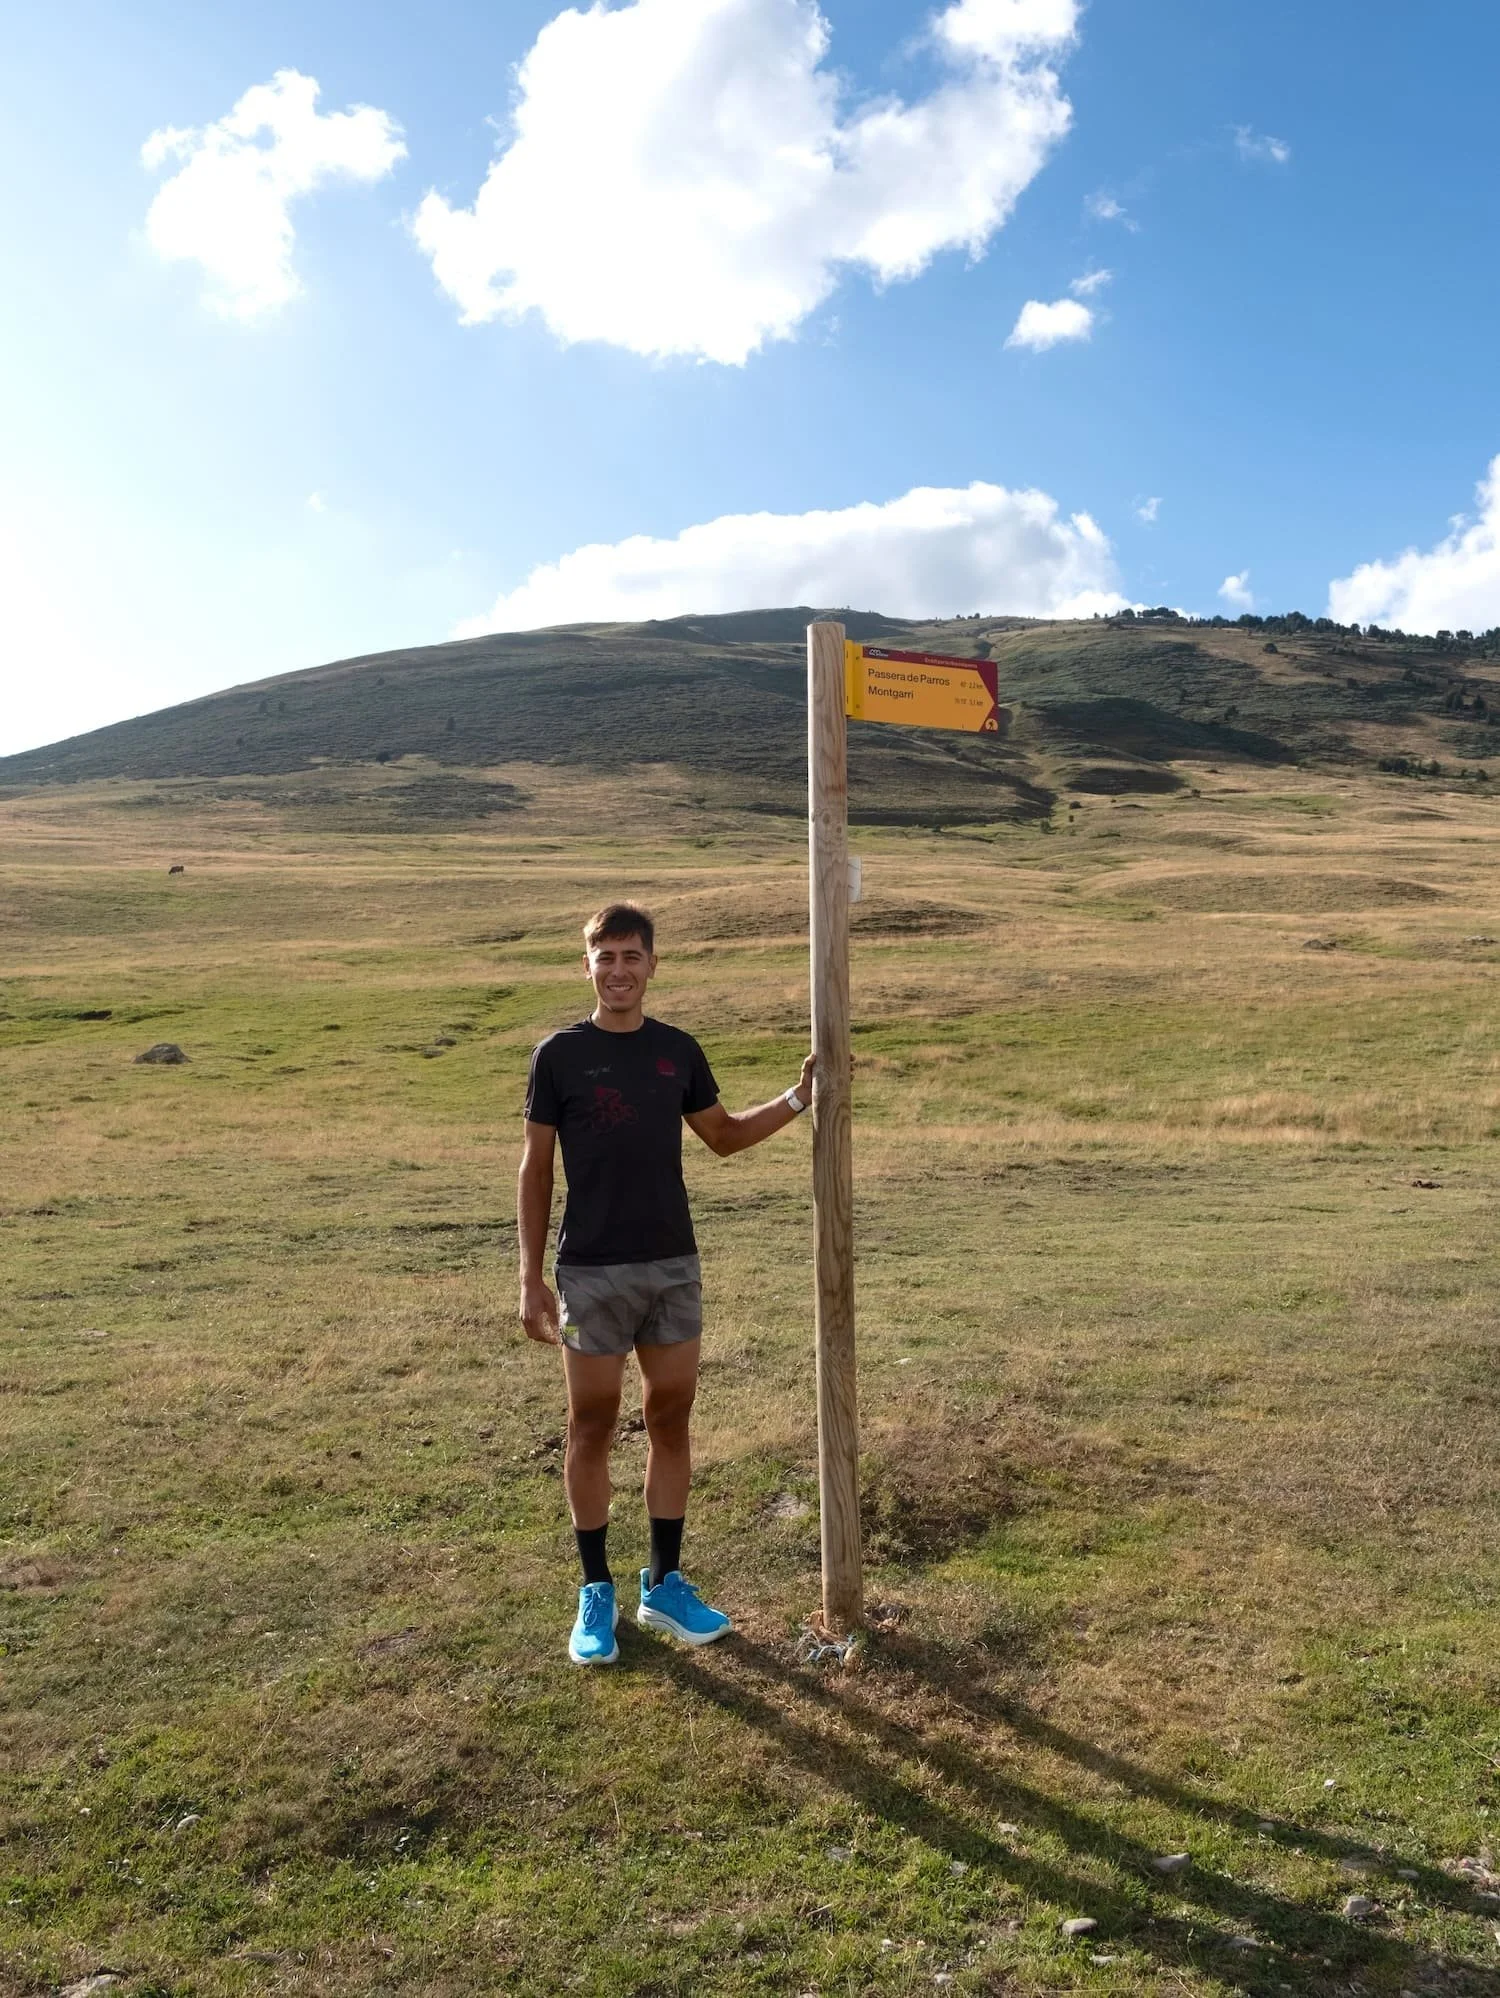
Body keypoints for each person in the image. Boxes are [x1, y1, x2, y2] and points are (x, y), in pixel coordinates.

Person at [518, 901, 816, 1665]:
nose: (618, 971)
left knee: (671, 1419)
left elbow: (721, 1137)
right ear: (586, 966)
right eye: (604, 957)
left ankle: (665, 1584)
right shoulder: (559, 1056)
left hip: (672, 1267)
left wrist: (796, 1099)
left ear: (653, 965)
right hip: (588, 1272)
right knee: (590, 1423)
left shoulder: (677, 1051)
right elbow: (536, 1167)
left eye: (631, 956)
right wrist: (529, 1276)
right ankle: (596, 1592)